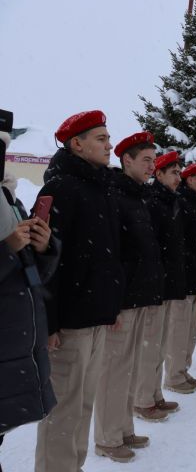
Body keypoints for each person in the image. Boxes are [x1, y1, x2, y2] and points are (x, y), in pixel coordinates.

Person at [35, 110, 125, 472]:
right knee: (64, 411)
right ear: (77, 144)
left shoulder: (100, 187)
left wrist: (111, 307)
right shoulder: (59, 189)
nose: (109, 145)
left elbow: (109, 257)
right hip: (68, 324)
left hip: (96, 317)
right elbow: (44, 262)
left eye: (108, 137)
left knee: (84, 405)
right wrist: (49, 323)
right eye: (101, 139)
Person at [93, 132, 165, 462]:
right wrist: (114, 303)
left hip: (140, 295)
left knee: (130, 368)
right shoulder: (115, 195)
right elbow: (112, 255)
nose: (152, 166)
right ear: (127, 160)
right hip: (122, 301)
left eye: (153, 160)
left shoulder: (139, 196)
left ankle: (123, 429)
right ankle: (107, 438)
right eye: (146, 160)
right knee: (114, 371)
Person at [1, 115, 58, 454]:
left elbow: (32, 270)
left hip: (15, 342)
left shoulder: (9, 198)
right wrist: (7, 249)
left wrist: (43, 246)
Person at [133, 151, 185, 413]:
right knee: (150, 346)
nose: (179, 177)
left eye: (179, 172)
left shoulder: (170, 201)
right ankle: (143, 399)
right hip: (155, 285)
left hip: (166, 284)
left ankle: (155, 394)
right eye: (173, 172)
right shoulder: (154, 202)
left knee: (160, 344)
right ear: (159, 174)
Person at [164, 163, 196, 392]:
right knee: (178, 330)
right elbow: (177, 244)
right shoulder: (181, 203)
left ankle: (183, 370)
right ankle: (174, 376)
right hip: (183, 280)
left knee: (190, 330)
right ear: (190, 180)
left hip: (195, 279)